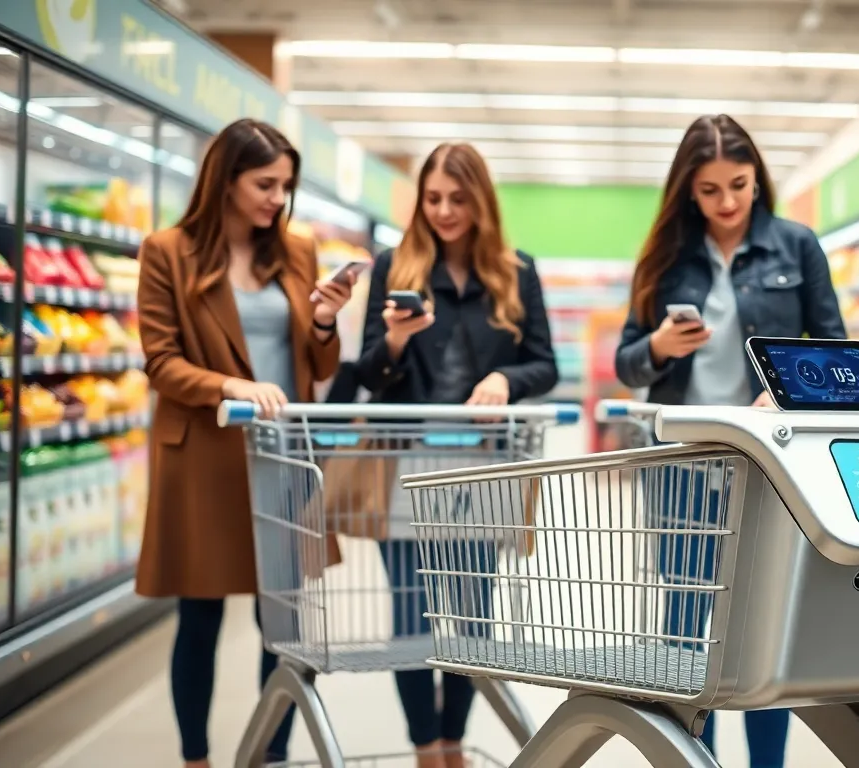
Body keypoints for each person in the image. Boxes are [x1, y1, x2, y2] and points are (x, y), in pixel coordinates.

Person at [614, 114, 846, 768]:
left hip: (770, 462)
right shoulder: (665, 258)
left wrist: (790, 389)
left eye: (738, 186)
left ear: (757, 179)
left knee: (764, 626)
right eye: (709, 190)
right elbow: (627, 363)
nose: (726, 203)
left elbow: (838, 354)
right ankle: (697, 760)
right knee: (686, 627)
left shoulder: (796, 247)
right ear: (687, 190)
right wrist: (656, 347)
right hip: (683, 461)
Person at [134, 118, 354, 767]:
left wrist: (322, 319)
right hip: (203, 455)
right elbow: (161, 362)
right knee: (199, 618)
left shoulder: (296, 249)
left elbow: (318, 366)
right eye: (264, 183)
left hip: (281, 457)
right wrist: (230, 384)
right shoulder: (167, 250)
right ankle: (196, 758)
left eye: (285, 185)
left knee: (281, 625)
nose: (277, 198)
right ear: (224, 180)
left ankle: (271, 755)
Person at [355, 142, 557, 768]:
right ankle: (424, 749)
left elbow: (545, 364)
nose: (444, 211)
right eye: (433, 199)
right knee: (411, 617)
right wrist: (392, 339)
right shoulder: (396, 267)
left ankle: (452, 740)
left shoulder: (515, 270)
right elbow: (369, 371)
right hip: (406, 458)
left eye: (458, 199)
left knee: (472, 620)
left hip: (483, 462)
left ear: (481, 201)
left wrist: (507, 381)